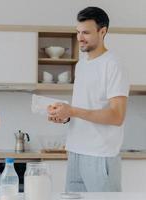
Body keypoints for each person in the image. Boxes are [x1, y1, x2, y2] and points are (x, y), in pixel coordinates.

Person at [47, 7, 129, 192]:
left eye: (86, 32)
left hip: (100, 155)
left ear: (103, 31)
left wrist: (73, 111)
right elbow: (84, 108)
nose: (80, 38)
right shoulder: (82, 64)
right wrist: (65, 115)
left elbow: (117, 116)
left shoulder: (113, 65)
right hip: (75, 152)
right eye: (78, 32)